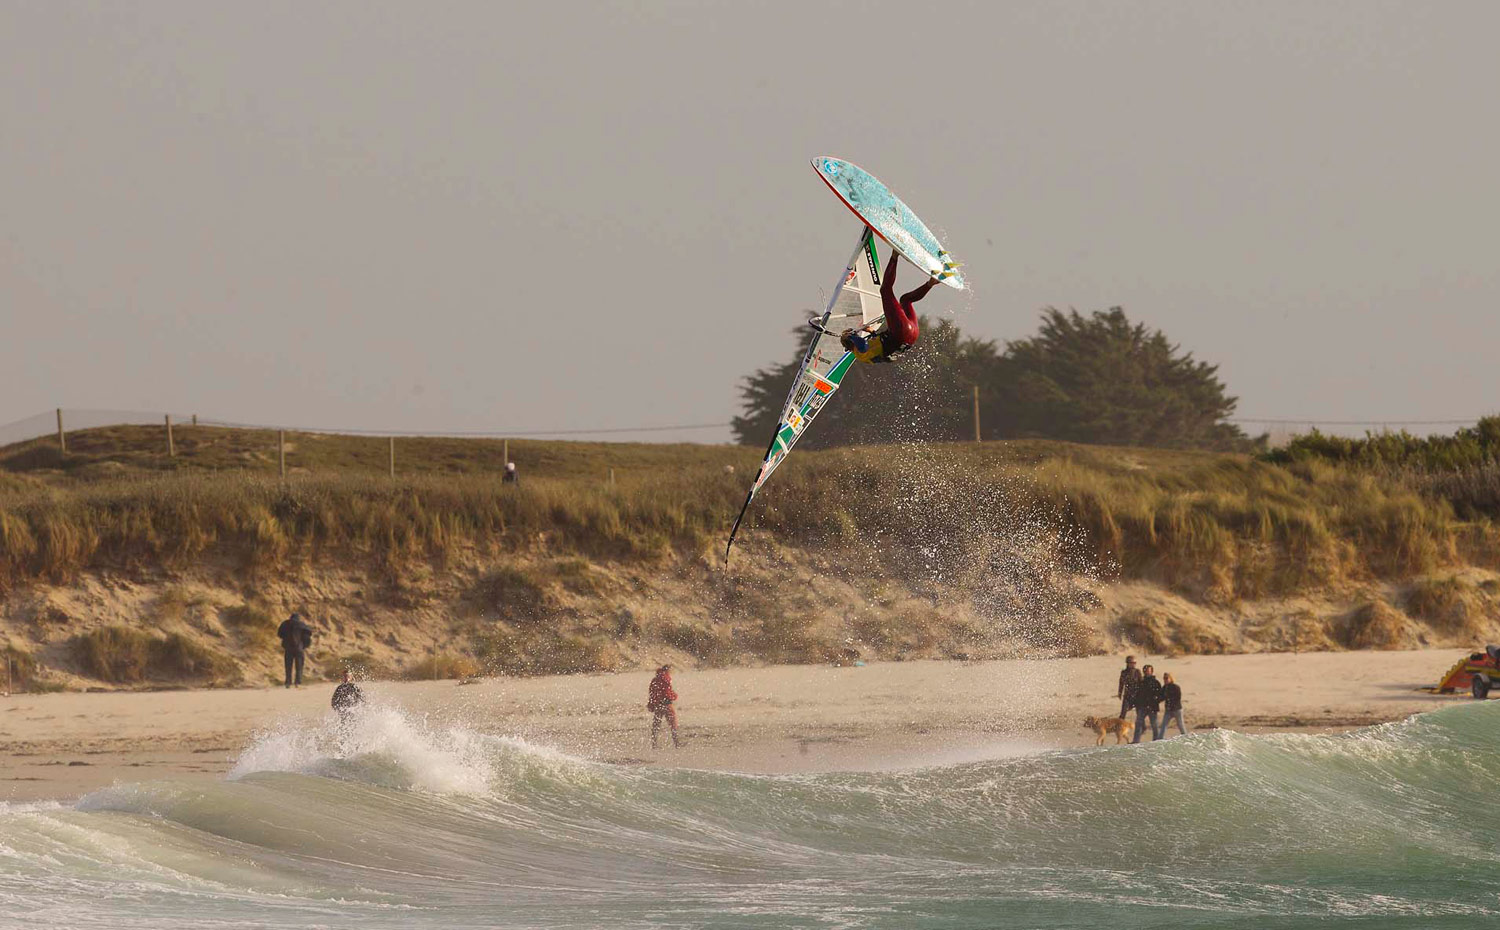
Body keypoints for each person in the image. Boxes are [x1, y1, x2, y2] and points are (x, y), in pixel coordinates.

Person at [840, 251, 941, 364]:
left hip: (911, 336)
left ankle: (931, 282)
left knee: (905, 300)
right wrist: (851, 336)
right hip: (901, 332)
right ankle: (895, 255)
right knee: (885, 290)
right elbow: (863, 346)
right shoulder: (859, 352)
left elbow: (879, 347)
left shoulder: (865, 355)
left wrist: (871, 332)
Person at [276, 612, 313, 689]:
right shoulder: (301, 624)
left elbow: (279, 634)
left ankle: (288, 682)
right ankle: (298, 682)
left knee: (288, 666)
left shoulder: (285, 624)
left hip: (288, 648)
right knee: (299, 666)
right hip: (299, 648)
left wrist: (285, 639)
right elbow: (308, 635)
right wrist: (305, 645)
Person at [648, 664, 680, 749]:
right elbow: (667, 692)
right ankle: (677, 743)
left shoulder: (654, 680)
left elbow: (652, 693)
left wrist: (651, 704)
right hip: (667, 704)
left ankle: (654, 744)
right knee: (673, 724)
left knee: (656, 725)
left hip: (657, 705)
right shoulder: (666, 678)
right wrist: (674, 696)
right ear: (667, 671)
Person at [1131, 664, 1163, 743]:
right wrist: (1135, 704)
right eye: (1145, 671)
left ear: (1152, 672)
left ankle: (1156, 741)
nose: (1147, 672)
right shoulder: (1141, 682)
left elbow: (1161, 695)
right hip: (1142, 707)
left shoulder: (1156, 682)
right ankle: (1136, 741)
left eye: (1148, 671)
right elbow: (1137, 694)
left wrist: (1155, 701)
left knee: (1154, 725)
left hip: (1152, 707)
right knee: (1138, 724)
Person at [1157, 672, 1186, 738]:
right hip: (1168, 710)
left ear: (1170, 678)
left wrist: (1169, 697)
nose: (1165, 680)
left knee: (1181, 725)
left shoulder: (1175, 687)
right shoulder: (1164, 688)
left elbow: (1178, 697)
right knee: (1163, 726)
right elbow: (1161, 697)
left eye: (1167, 678)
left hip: (1177, 710)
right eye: (1164, 678)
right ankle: (1160, 739)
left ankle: (1186, 738)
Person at [1116, 655, 1142, 719]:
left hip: (1137, 695)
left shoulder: (1137, 672)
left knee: (1139, 714)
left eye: (1134, 663)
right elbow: (1121, 683)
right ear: (1127, 663)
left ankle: (1142, 726)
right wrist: (1119, 693)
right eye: (1131, 663)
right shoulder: (1124, 672)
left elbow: (1141, 683)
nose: (1133, 665)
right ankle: (1119, 726)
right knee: (1123, 713)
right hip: (1127, 696)